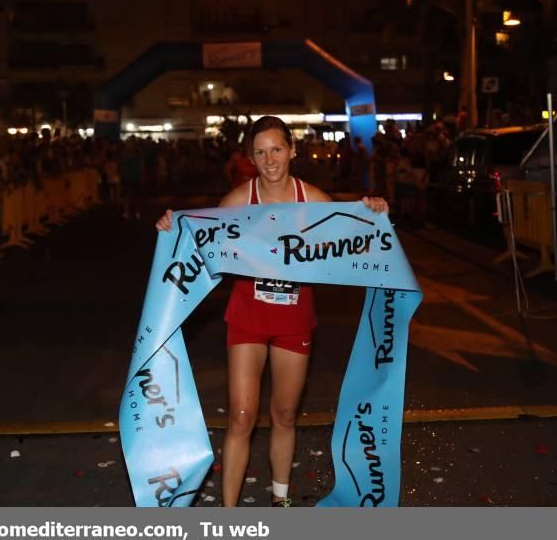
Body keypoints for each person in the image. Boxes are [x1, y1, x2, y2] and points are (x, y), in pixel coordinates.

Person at [155, 116, 388, 507]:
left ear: (292, 150)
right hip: (246, 316)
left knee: (283, 415)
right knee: (242, 417)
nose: (270, 159)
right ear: (250, 158)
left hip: (294, 319)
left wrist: (371, 211)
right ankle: (228, 513)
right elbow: (198, 241)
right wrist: (170, 227)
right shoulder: (236, 200)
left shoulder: (312, 199)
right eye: (260, 153)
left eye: (277, 149)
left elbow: (354, 240)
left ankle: (280, 502)